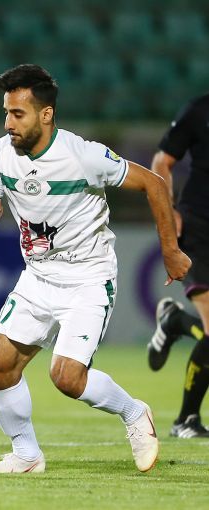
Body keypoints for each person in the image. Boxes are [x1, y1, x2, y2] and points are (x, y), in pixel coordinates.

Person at [0, 64, 191, 473]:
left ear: (46, 114)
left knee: (67, 377)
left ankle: (134, 412)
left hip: (88, 277)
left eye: (17, 114)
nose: (8, 123)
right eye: (6, 113)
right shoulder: (0, 154)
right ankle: (27, 455)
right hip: (38, 277)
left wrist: (171, 250)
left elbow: (154, 184)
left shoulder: (83, 156)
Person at [147, 93, 209, 438]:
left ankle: (176, 322)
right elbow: (161, 162)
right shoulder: (200, 110)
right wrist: (168, 211)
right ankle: (186, 419)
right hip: (200, 230)